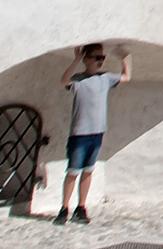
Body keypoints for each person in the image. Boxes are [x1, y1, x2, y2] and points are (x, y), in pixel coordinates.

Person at [56, 43, 131, 224]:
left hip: (97, 132)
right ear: (87, 59)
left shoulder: (105, 78)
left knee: (88, 170)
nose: (100, 61)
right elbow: (64, 80)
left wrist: (125, 57)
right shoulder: (78, 79)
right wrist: (76, 60)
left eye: (102, 58)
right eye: (97, 58)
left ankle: (81, 207)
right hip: (80, 133)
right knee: (73, 170)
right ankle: (64, 208)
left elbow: (127, 77)